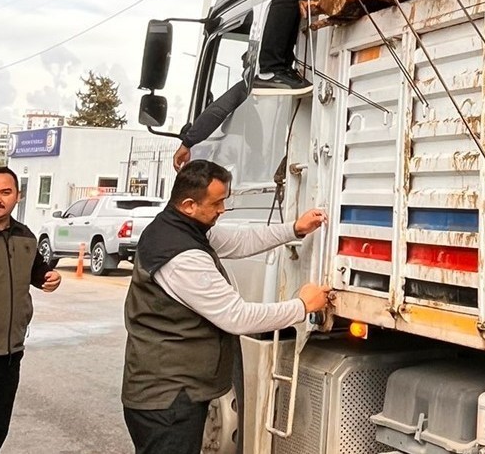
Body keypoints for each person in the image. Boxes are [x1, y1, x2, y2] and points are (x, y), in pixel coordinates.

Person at [121, 160, 331, 454]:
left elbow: (239, 241)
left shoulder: (181, 228)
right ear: (189, 204)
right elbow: (237, 317)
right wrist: (302, 306)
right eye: (217, 203)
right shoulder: (181, 255)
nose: (222, 210)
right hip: (167, 399)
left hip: (167, 392)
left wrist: (294, 229)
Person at [0, 166, 62, 454]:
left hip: (9, 355)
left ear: (17, 196)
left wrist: (49, 278)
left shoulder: (26, 236)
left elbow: (37, 272)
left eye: (5, 192)